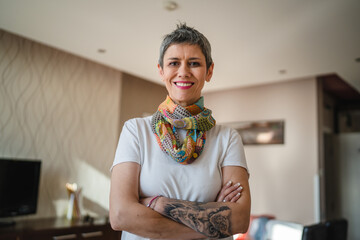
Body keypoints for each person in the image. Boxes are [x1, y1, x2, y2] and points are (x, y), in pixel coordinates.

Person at [110, 23, 251, 240]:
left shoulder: (227, 138)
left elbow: (239, 220)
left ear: (209, 71)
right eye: (174, 63)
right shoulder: (135, 130)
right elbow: (120, 215)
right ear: (161, 71)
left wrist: (159, 203)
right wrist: (212, 219)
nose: (183, 72)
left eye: (194, 63)